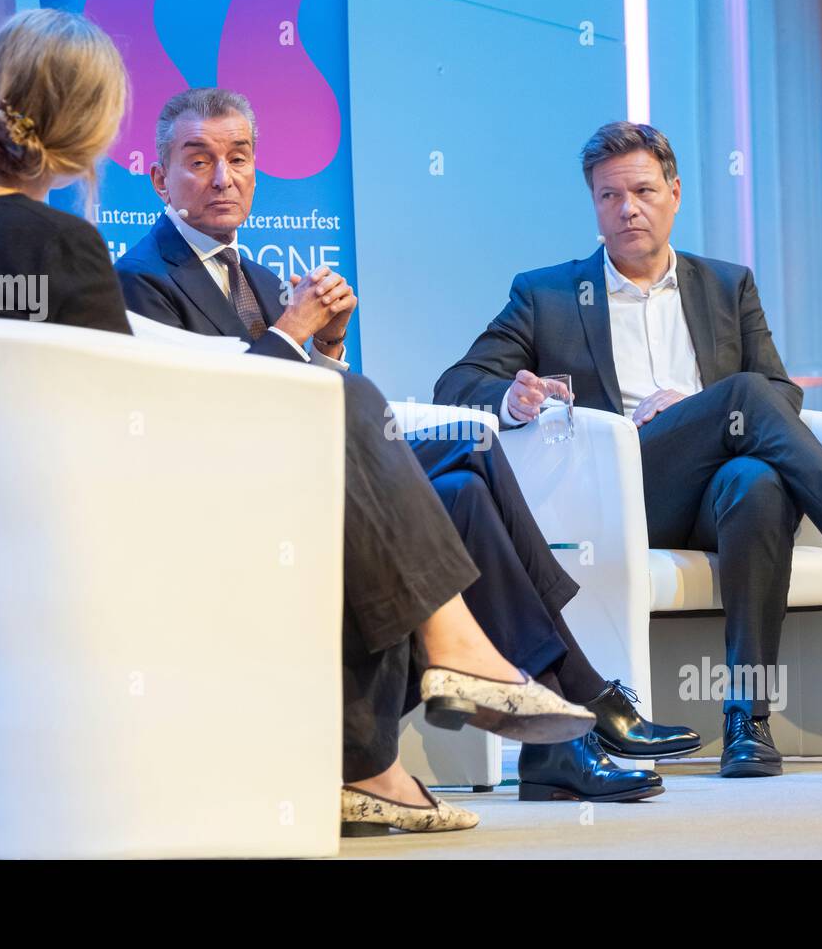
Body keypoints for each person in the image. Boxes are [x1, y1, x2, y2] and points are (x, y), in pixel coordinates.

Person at [0, 8, 596, 837]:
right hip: (101, 522)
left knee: (373, 429)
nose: (222, 176)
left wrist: (301, 355)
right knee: (351, 414)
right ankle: (429, 688)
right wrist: (292, 350)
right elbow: (137, 425)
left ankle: (407, 725)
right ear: (94, 132)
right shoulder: (68, 248)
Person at [116, 88, 702, 804]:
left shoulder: (261, 279)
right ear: (160, 177)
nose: (222, 178)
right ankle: (585, 693)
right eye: (199, 160)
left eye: (238, 158)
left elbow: (321, 402)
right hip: (245, 502)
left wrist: (328, 345)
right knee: (473, 453)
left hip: (319, 482)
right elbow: (210, 423)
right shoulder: (140, 280)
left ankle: (558, 745)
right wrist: (294, 332)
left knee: (464, 487)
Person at [433, 121, 822, 778]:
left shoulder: (727, 286)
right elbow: (457, 384)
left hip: (712, 495)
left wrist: (695, 408)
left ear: (675, 192)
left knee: (758, 482)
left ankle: (747, 722)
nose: (627, 208)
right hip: (623, 494)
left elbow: (781, 393)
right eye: (609, 196)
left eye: (642, 191)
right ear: (595, 204)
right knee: (743, 397)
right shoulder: (548, 294)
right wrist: (511, 397)